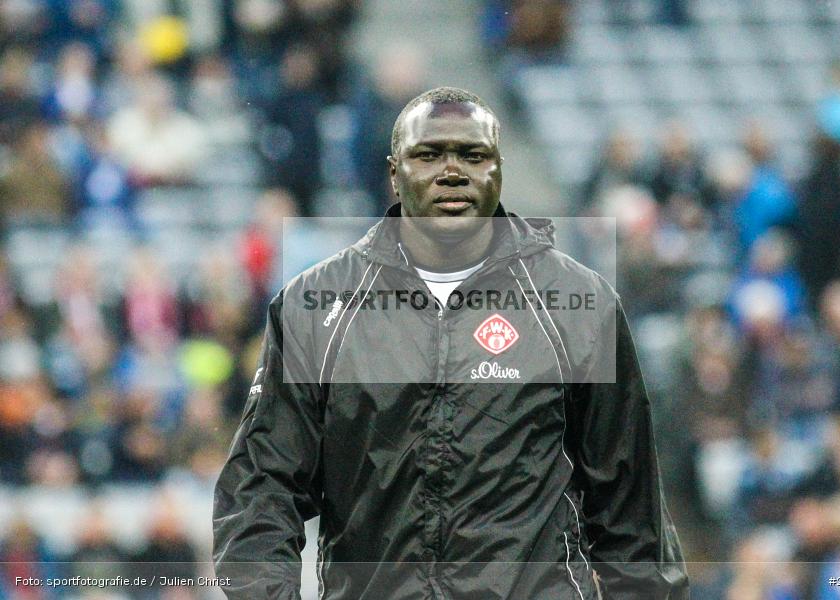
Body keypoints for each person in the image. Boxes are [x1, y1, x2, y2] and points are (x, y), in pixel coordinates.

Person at [212, 87, 689, 599]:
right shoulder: (316, 308)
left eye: (473, 155)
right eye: (428, 155)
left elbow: (631, 511)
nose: (452, 171)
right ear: (394, 174)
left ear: (499, 170)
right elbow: (262, 489)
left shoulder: (579, 304)